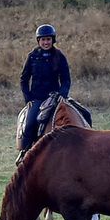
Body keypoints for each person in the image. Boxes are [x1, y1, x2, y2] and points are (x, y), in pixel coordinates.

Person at [18, 23, 73, 155]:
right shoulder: (32, 57)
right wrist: (28, 98)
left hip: (55, 97)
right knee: (30, 123)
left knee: (84, 114)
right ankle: (25, 154)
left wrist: (63, 93)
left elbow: (66, 79)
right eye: (43, 39)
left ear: (52, 40)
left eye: (48, 39)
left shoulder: (59, 56)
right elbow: (23, 79)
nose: (46, 42)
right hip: (37, 98)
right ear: (38, 41)